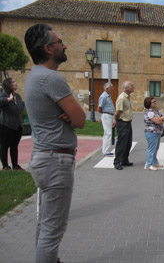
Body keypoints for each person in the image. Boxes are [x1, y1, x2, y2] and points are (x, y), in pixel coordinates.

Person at [24, 23, 86, 263]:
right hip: (55, 161)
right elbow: (80, 119)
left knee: (45, 223)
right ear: (48, 49)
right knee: (53, 229)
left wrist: (68, 114)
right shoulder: (51, 78)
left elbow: (74, 116)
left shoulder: (33, 76)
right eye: (59, 42)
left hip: (43, 157)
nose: (64, 45)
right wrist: (70, 115)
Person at [0, 77, 25, 171]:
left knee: (14, 146)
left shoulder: (17, 96)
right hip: (6, 125)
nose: (16, 83)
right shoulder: (3, 95)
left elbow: (21, 107)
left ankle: (15, 165)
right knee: (4, 145)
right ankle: (5, 166)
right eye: (13, 82)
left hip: (17, 125)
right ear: (8, 85)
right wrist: (8, 100)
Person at [113, 81, 134, 170]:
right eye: (131, 85)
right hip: (122, 122)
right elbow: (118, 112)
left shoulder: (127, 97)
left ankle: (124, 159)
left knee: (128, 143)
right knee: (121, 143)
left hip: (128, 122)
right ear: (126, 88)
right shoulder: (122, 98)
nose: (133, 87)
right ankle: (117, 162)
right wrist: (116, 120)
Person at [143, 97, 164, 171]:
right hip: (151, 132)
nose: (155, 103)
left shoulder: (156, 111)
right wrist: (161, 119)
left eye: (155, 101)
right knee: (151, 149)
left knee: (156, 148)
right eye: (153, 102)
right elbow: (158, 121)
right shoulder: (150, 112)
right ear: (149, 104)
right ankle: (149, 164)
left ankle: (154, 162)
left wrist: (161, 119)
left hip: (158, 132)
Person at [98, 82, 116, 156]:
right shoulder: (104, 96)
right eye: (111, 88)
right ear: (107, 89)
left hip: (109, 115)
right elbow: (99, 107)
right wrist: (103, 115)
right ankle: (105, 151)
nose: (113, 89)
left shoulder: (108, 96)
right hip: (107, 115)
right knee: (108, 133)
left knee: (107, 133)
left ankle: (105, 150)